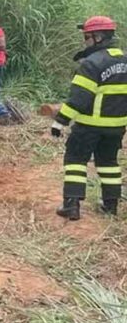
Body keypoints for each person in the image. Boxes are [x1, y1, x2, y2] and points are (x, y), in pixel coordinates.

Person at [51, 16, 127, 221]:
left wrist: (60, 121)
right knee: (109, 163)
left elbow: (78, 99)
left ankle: (71, 205)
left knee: (75, 160)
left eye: (87, 37)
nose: (85, 41)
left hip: (89, 125)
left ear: (98, 37)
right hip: (117, 126)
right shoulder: (124, 59)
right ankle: (111, 206)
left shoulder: (92, 63)